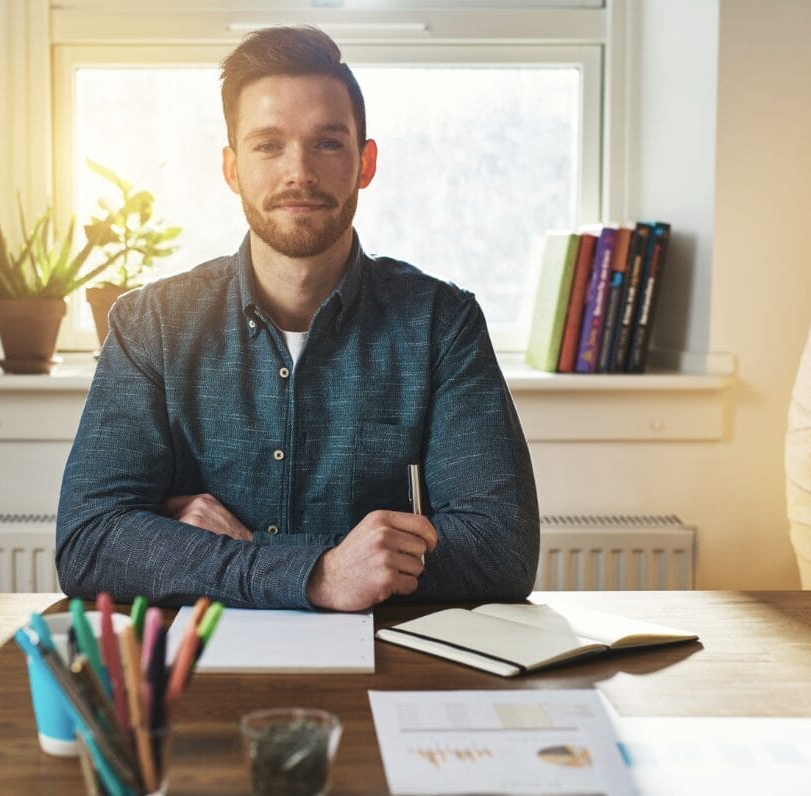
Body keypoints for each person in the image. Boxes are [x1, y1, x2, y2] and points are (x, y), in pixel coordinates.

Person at [56, 25, 539, 611]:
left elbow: (500, 551)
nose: (299, 173)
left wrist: (203, 548)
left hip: (391, 671)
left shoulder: (442, 323)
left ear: (366, 161)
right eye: (268, 145)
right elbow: (88, 543)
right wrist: (322, 574)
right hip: (201, 672)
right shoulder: (150, 325)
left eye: (328, 144)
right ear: (232, 168)